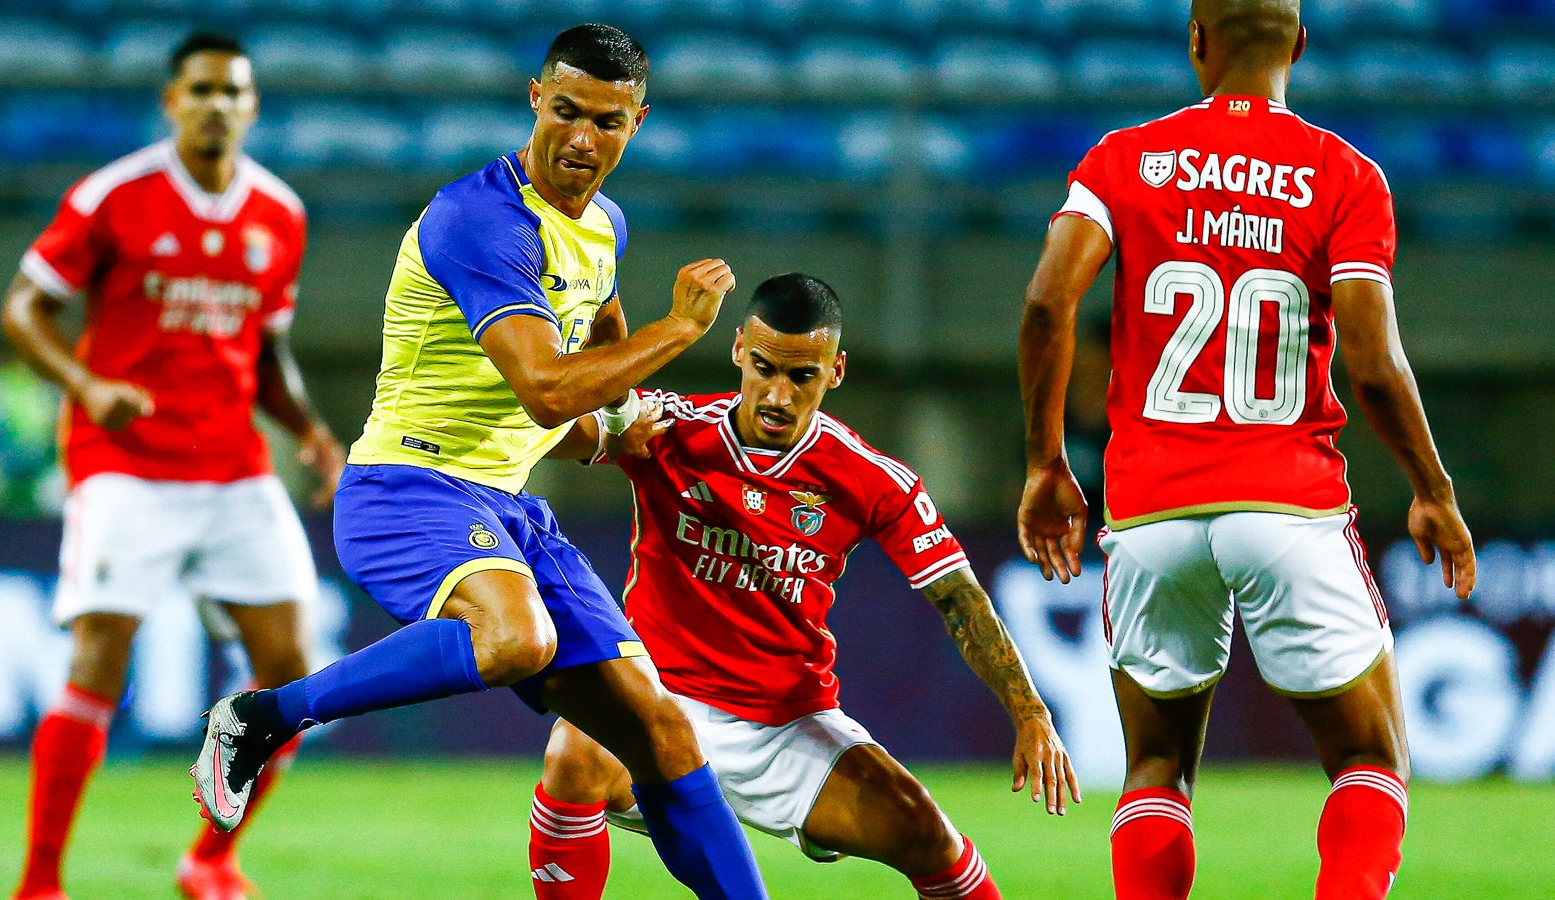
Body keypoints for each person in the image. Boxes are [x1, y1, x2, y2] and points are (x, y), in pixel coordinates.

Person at [190, 25, 769, 899]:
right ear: (534, 99)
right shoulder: (480, 219)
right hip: (404, 489)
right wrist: (681, 329)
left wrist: (623, 428)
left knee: (662, 738)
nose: (582, 139)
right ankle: (261, 717)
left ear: (637, 124)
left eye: (607, 123)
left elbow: (585, 394)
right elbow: (545, 388)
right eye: (566, 111)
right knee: (516, 637)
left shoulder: (603, 226)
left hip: (510, 509)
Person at [1015, 1, 1478, 898]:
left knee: (1155, 771)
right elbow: (1373, 362)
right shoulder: (1344, 174)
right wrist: (1433, 488)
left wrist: (1045, 464)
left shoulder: (1124, 159)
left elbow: (1045, 305)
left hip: (1149, 511)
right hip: (1287, 503)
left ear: (1195, 41)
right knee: (1369, 757)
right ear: (1298, 44)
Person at [524, 273, 1078, 900]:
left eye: (802, 376)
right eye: (764, 368)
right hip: (659, 703)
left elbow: (960, 600)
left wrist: (1030, 713)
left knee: (926, 834)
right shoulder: (667, 430)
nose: (778, 395)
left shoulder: (869, 479)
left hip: (786, 724)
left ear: (835, 371)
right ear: (738, 350)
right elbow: (565, 425)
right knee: (574, 751)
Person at [0, 32, 343, 900]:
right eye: (201, 90)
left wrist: (311, 432)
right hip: (124, 465)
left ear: (253, 106)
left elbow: (267, 355)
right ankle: (40, 882)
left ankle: (211, 860)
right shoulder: (115, 196)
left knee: (295, 676)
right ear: (172, 101)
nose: (217, 105)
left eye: (234, 91)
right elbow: (23, 307)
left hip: (232, 468)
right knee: (101, 655)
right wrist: (85, 382)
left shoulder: (279, 213)